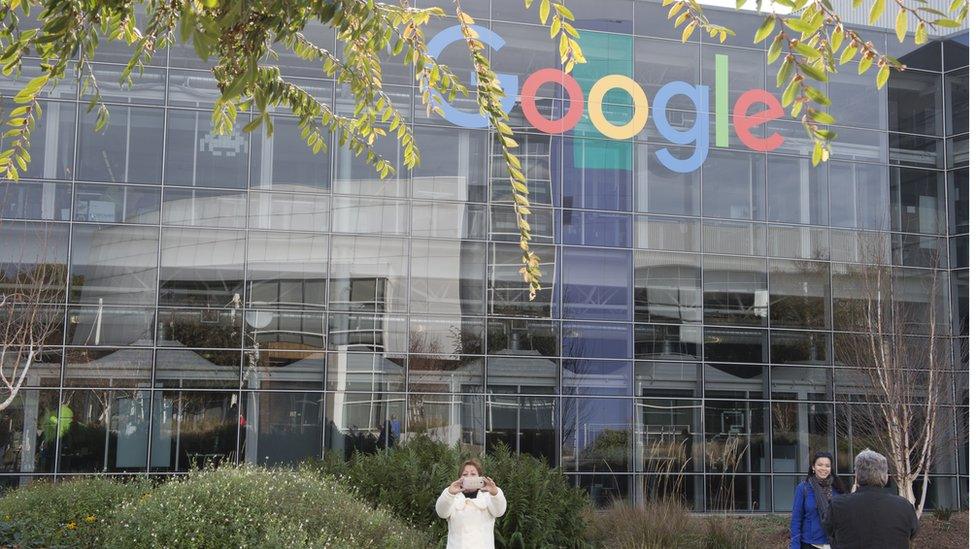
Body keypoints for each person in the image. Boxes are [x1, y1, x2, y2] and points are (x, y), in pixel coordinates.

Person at [827, 449, 919, 549]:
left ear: (856, 475)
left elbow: (828, 529)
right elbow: (913, 533)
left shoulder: (839, 504)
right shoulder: (904, 506)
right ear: (885, 476)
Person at [435, 458, 506, 549]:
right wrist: (449, 493)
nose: (469, 477)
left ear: (480, 477)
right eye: (465, 474)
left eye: (473, 474)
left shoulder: (487, 497)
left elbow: (499, 511)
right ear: (460, 478)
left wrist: (495, 493)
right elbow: (441, 513)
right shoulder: (454, 497)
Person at [790, 451, 848, 549]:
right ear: (813, 467)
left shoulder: (838, 489)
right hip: (810, 544)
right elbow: (796, 520)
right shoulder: (803, 488)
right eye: (820, 465)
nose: (823, 469)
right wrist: (795, 546)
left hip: (834, 544)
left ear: (831, 468)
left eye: (827, 466)